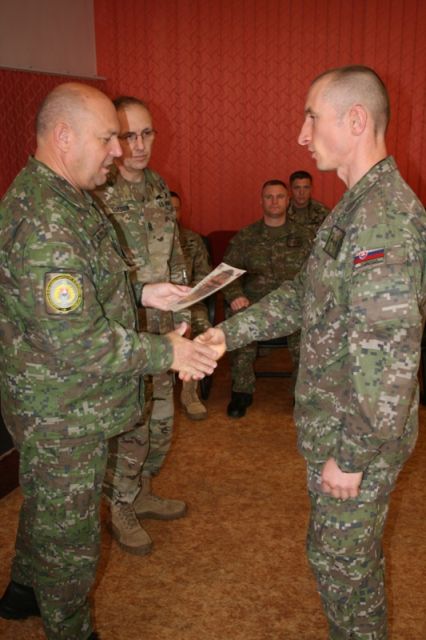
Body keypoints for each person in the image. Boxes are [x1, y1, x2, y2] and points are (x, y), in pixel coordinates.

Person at [198, 65, 426, 638]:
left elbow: (389, 355)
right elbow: (305, 292)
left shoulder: (382, 219)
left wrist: (351, 457)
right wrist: (229, 334)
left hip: (357, 433)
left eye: (311, 117)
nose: (302, 134)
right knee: (336, 557)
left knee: (344, 567)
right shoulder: (352, 208)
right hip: (337, 422)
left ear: (356, 120)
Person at [0, 83, 217, 640]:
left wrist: (144, 292)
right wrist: (168, 350)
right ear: (63, 136)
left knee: (47, 505)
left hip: (65, 398)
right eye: (107, 139)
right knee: (71, 541)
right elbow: (79, 341)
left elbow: (89, 285)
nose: (118, 151)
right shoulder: (46, 220)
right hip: (61, 410)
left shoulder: (66, 196)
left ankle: (23, 591)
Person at [94, 96, 191, 555]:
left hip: (162, 325)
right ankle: (120, 505)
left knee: (161, 419)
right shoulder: (97, 191)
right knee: (131, 422)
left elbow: (174, 255)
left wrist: (186, 313)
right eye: (128, 135)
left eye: (146, 133)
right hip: (124, 329)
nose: (138, 145)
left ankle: (143, 490)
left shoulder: (157, 186)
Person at [222, 180, 314, 418]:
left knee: (311, 329)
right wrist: (235, 295)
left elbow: (319, 272)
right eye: (269, 197)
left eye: (280, 196)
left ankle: (301, 393)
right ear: (261, 201)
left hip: (294, 303)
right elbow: (227, 273)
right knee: (238, 321)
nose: (274, 201)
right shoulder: (247, 236)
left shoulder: (306, 236)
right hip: (254, 303)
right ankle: (242, 390)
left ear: (288, 200)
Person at [170, 191, 213, 420]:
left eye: (176, 209)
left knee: (201, 325)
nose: (171, 213)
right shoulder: (143, 240)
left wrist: (187, 296)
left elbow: (204, 276)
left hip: (189, 301)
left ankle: (190, 393)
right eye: (166, 208)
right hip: (153, 303)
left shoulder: (193, 240)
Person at [287, 169, 330, 234]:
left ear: (311, 189)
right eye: (297, 188)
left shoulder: (322, 212)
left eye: (306, 187)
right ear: (290, 189)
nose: (301, 193)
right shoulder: (281, 210)